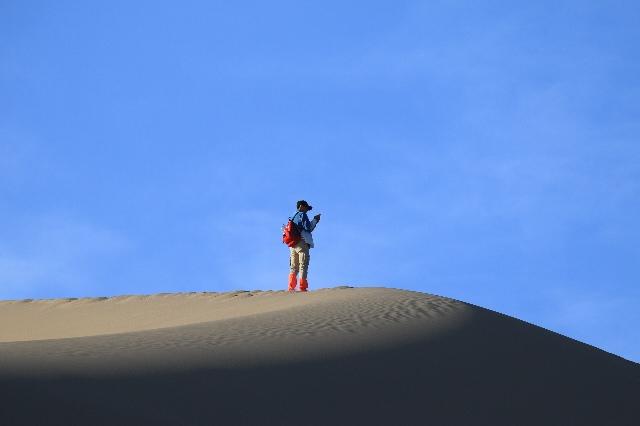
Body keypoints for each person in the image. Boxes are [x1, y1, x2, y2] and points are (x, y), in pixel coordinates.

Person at [288, 200, 321, 292]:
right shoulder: (302, 215)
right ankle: (302, 287)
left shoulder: (292, 216)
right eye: (306, 208)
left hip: (292, 244)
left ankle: (291, 287)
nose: (307, 210)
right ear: (301, 206)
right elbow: (309, 228)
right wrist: (315, 220)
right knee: (303, 265)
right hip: (301, 242)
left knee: (294, 266)